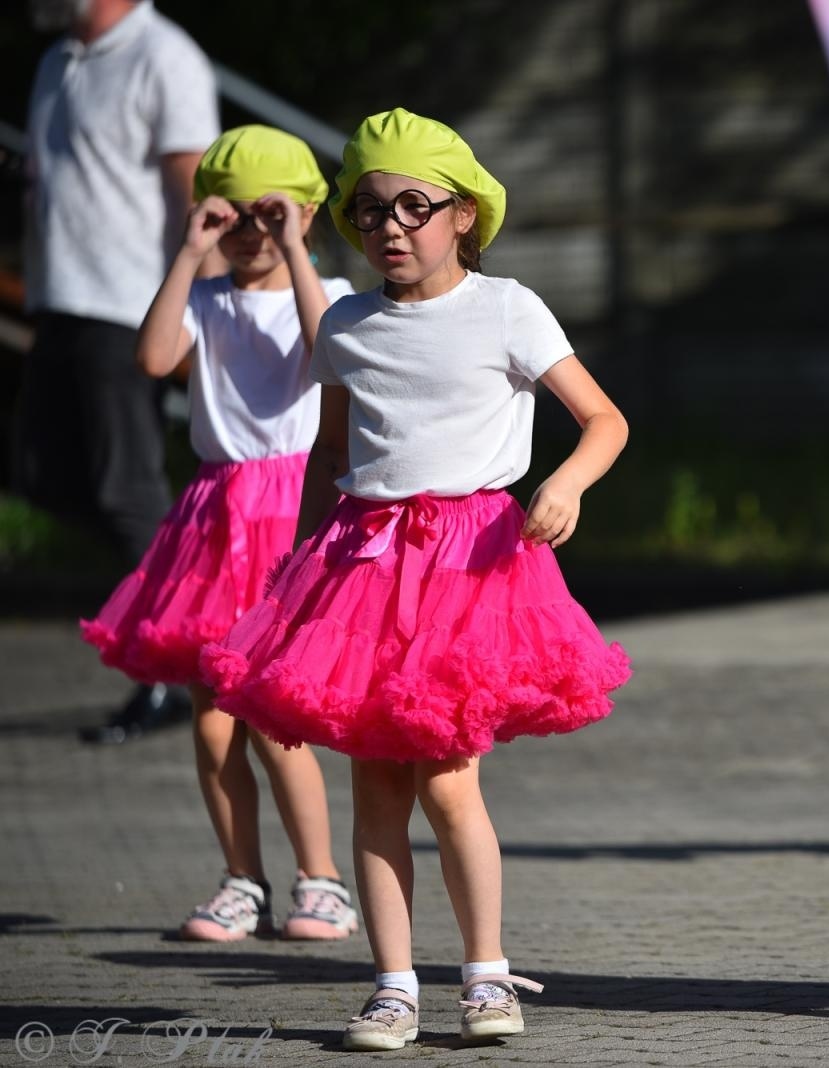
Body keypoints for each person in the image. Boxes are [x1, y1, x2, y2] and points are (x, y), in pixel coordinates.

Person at [199, 108, 632, 1051]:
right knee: (377, 790)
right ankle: (393, 987)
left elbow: (605, 420)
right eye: (370, 209)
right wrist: (297, 564)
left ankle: (484, 975)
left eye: (413, 206)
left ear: (464, 214)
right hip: (360, 566)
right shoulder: (347, 323)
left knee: (447, 779)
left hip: (469, 563)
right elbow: (336, 448)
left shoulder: (508, 308)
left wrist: (563, 483)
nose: (390, 225)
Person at [79, 126, 359, 941]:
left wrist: (296, 247)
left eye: (267, 217)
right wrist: (188, 248)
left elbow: (326, 349)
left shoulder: (329, 289)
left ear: (305, 213)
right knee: (211, 719)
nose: (249, 233)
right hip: (212, 517)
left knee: (274, 717)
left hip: (291, 508)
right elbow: (153, 356)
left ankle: (323, 881)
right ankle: (242, 879)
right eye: (233, 217)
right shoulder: (205, 298)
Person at [19, 0, 222, 742]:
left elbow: (193, 191)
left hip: (129, 307)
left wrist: (207, 316)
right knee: (42, 473)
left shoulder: (164, 55)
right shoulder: (58, 61)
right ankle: (184, 610)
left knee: (125, 490)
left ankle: (172, 671)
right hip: (60, 300)